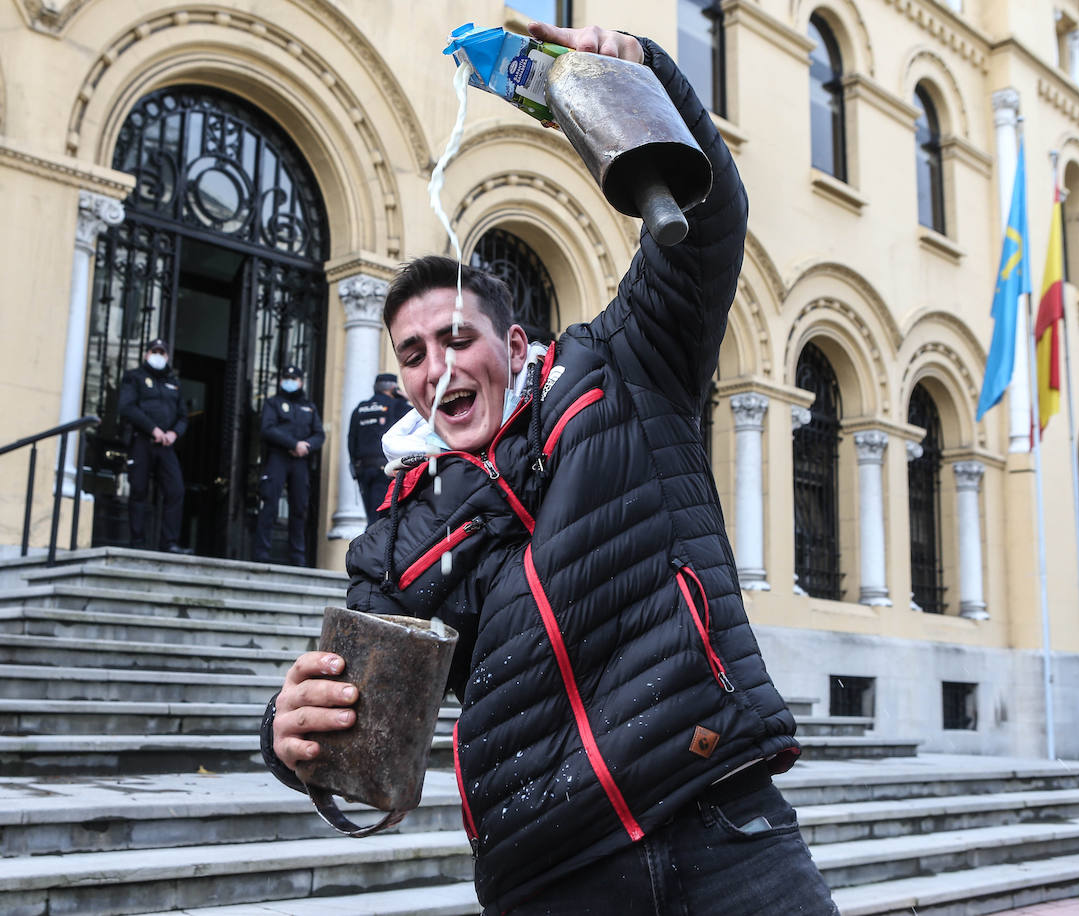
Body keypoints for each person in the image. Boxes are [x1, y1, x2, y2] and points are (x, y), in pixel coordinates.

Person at [260, 23, 838, 916]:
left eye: (457, 338)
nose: (437, 368)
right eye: (412, 354)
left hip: (723, 827)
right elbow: (354, 718)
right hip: (551, 873)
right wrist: (286, 736)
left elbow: (710, 221)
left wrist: (645, 77)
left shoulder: (622, 371)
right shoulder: (395, 545)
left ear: (516, 344)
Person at [117, 338, 191, 554]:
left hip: (166, 446)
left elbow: (183, 417)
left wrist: (174, 433)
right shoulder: (134, 377)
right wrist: (153, 429)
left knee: (176, 490)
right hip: (142, 441)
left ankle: (169, 542)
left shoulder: (173, 383)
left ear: (167, 357)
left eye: (162, 352)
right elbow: (127, 408)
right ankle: (137, 541)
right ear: (146, 354)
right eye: (154, 351)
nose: (158, 355)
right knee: (139, 490)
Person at [253, 364, 324, 566]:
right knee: (270, 504)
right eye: (286, 377)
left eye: (294, 378)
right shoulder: (273, 403)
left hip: (300, 461)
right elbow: (267, 428)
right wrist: (293, 444)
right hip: (278, 458)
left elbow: (319, 434)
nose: (289, 381)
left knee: (299, 507)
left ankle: (297, 556)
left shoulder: (309, 407)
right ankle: (262, 553)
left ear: (301, 382)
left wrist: (306, 447)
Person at [347, 373, 410, 524]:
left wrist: (355, 464)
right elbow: (418, 417)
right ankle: (372, 546)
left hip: (363, 469)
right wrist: (404, 398)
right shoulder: (397, 405)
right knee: (382, 518)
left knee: (371, 514)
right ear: (394, 389)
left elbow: (351, 441)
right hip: (385, 470)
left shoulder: (360, 409)